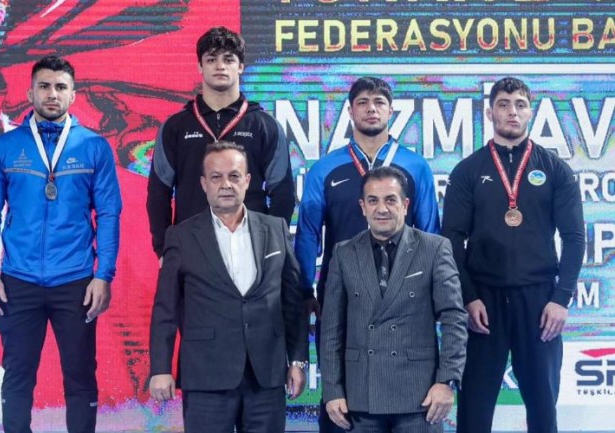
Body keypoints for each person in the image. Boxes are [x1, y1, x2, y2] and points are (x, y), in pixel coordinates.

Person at [0, 55, 122, 433]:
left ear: (73, 95)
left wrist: (103, 275)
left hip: (75, 281)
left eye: (60, 87)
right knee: (17, 374)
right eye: (44, 86)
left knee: (80, 375)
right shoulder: (6, 146)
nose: (52, 94)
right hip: (18, 280)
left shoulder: (94, 147)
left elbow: (108, 214)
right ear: (30, 93)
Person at [295, 76, 440, 432]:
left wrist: (433, 290)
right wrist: (304, 289)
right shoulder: (325, 169)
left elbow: (430, 232)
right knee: (340, 388)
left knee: (407, 381)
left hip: (404, 295)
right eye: (362, 102)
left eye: (378, 102)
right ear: (350, 111)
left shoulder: (416, 166)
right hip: (342, 294)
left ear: (391, 111)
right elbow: (308, 232)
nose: (371, 109)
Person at [441, 77, 585, 433]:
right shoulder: (468, 171)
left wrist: (561, 299)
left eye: (520, 104)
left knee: (542, 407)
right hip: (482, 305)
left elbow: (574, 237)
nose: (512, 112)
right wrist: (468, 297)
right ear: (490, 112)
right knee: (474, 410)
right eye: (503, 104)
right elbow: (451, 240)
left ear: (530, 111)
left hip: (539, 303)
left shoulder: (555, 169)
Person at [148, 141, 308, 433]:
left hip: (267, 377)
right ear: (203, 184)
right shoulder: (180, 236)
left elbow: (293, 303)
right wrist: (160, 368)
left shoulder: (276, 229)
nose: (226, 184)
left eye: (234, 176)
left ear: (247, 181)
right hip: (206, 376)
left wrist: (298, 360)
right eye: (216, 177)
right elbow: (165, 309)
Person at [320, 166, 467, 433]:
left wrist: (446, 381)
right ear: (362, 207)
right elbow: (331, 328)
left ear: (405, 205)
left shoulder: (435, 248)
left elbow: (454, 318)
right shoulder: (344, 253)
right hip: (359, 397)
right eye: (373, 201)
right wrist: (332, 389)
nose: (382, 209)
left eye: (390, 200)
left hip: (421, 397)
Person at [147, 26, 295, 261]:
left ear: (241, 66)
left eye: (228, 59)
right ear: (200, 66)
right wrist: (164, 249)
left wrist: (272, 246)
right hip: (191, 251)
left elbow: (283, 193)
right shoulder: (175, 127)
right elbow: (158, 193)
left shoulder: (264, 126)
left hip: (251, 250)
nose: (220, 66)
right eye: (211, 59)